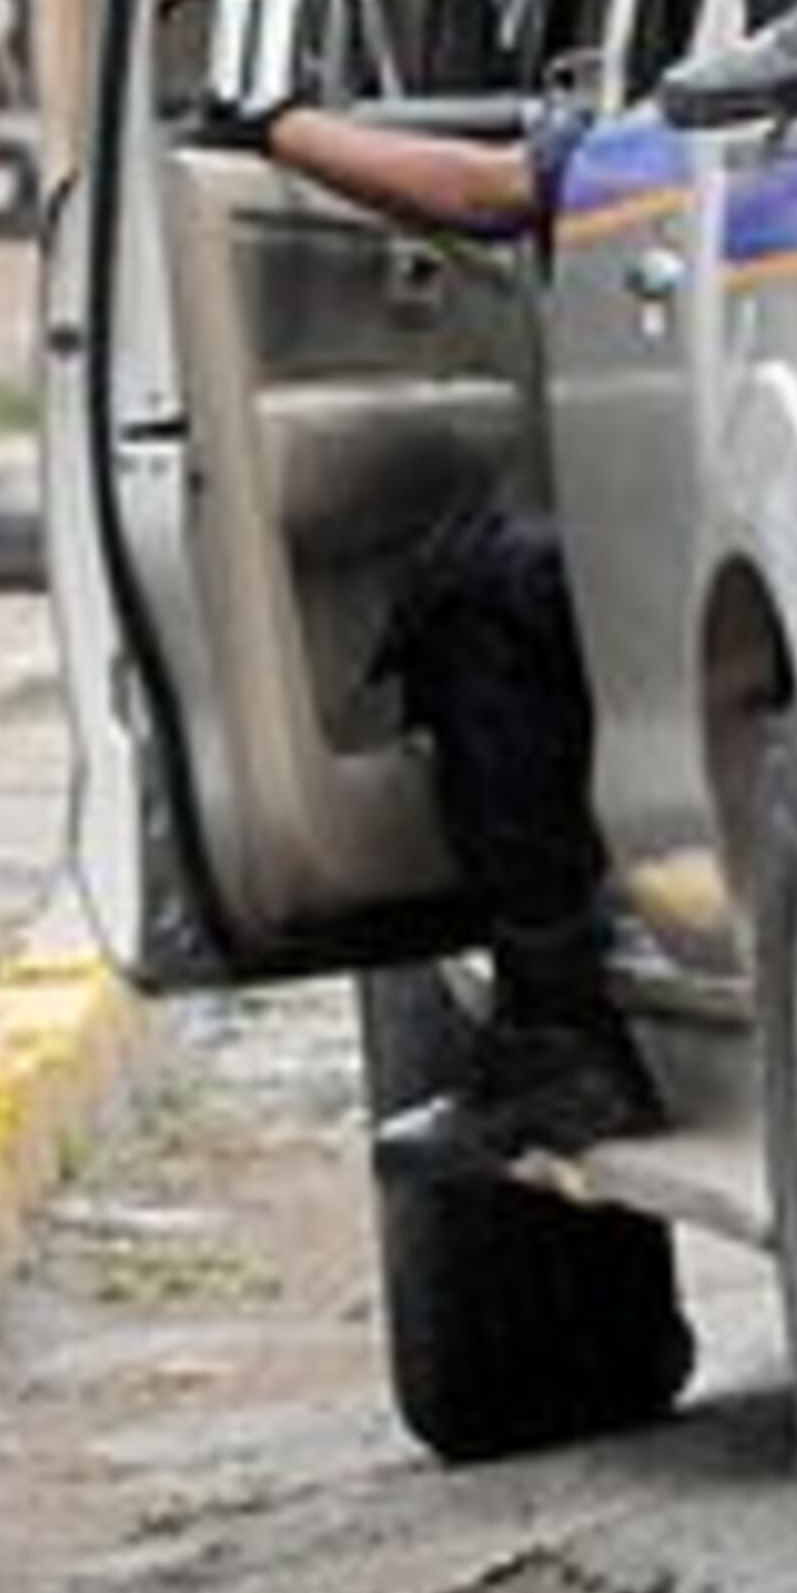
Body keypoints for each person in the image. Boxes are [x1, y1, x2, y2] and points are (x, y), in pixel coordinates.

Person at [241, 95, 661, 1176]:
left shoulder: (748, 82)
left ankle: (555, 1036)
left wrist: (281, 128)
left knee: (476, 595)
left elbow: (483, 191)